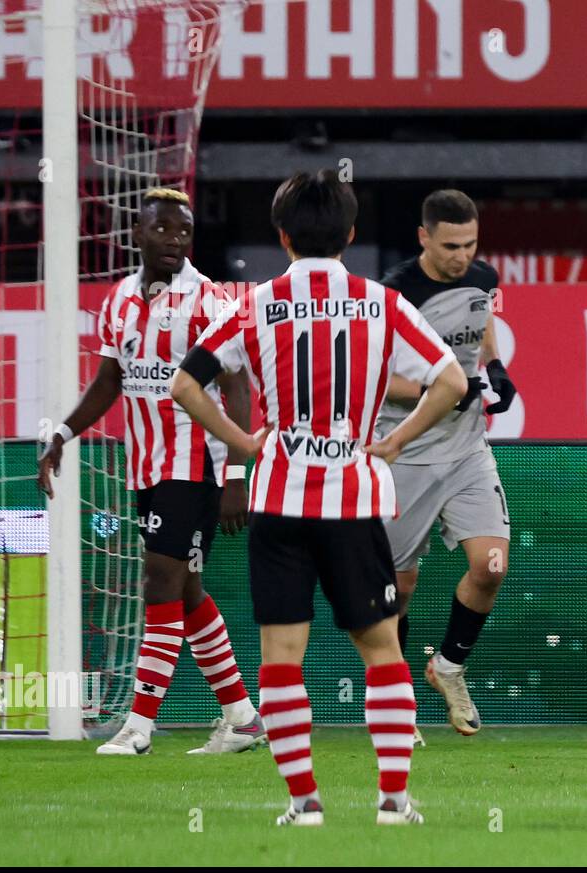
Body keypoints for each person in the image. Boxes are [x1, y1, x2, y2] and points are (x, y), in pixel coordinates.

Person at [171, 170, 467, 825]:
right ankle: (393, 800)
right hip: (353, 499)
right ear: (351, 234)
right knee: (382, 650)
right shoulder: (379, 302)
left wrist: (245, 443)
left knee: (280, 657)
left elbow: (185, 385)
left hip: (280, 497)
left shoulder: (256, 303)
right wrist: (393, 444)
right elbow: (449, 381)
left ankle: (304, 804)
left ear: (282, 236)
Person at [38, 187, 263, 757]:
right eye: (162, 229)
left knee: (159, 582)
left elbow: (237, 387)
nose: (174, 240)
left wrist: (236, 473)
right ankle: (241, 717)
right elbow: (111, 381)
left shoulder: (210, 301)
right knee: (185, 591)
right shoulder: (118, 301)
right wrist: (64, 432)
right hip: (147, 467)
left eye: (184, 232)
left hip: (197, 466)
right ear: (135, 234)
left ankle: (138, 727)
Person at [376, 190, 516, 738]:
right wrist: (437, 392)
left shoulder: (482, 277)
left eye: (471, 243)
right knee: (397, 588)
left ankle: (448, 668)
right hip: (404, 450)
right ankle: (395, 699)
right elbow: (378, 378)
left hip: (465, 449)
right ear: (424, 238)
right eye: (451, 245)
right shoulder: (394, 293)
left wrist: (496, 364)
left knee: (491, 566)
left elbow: (478, 325)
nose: (462, 255)